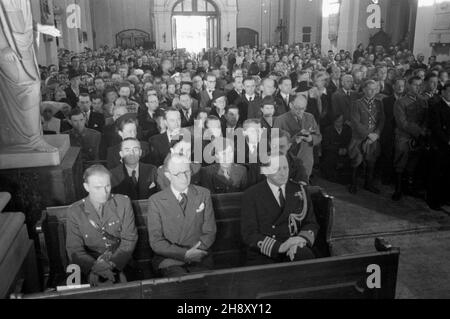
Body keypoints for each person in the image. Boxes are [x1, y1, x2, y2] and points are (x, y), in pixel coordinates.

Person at [0, 0, 61, 152]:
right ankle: (30, 140)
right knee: (28, 89)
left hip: (23, 44)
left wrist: (41, 27)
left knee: (32, 88)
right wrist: (3, 47)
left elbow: (21, 17)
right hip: (9, 47)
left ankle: (28, 137)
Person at [241, 154, 319, 266]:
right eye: (277, 169)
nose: (283, 173)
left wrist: (299, 241)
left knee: (306, 260)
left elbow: (311, 223)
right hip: (265, 252)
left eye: (285, 168)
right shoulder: (251, 195)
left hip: (295, 247)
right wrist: (281, 247)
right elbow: (249, 234)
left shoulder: (300, 190)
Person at [66, 165, 138, 286]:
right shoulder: (75, 211)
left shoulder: (123, 203)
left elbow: (129, 240)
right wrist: (95, 267)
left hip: (120, 261)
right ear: (86, 187)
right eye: (97, 188)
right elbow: (74, 249)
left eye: (107, 186)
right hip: (89, 264)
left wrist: (111, 264)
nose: (104, 192)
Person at [147, 153, 217, 277]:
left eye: (187, 172)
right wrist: (184, 254)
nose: (184, 177)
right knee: (180, 283)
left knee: (202, 285)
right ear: (168, 175)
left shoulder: (203, 194)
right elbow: (156, 241)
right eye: (178, 174)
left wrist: (196, 252)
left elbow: (210, 231)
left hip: (199, 255)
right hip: (169, 258)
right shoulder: (156, 201)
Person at [392, 76, 428, 201]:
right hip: (404, 135)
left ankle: (409, 188)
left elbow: (425, 120)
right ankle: (398, 189)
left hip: (419, 137)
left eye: (420, 85)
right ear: (408, 85)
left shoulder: (423, 101)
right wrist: (418, 132)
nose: (417, 87)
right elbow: (402, 123)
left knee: (413, 163)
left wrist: (421, 132)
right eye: (415, 85)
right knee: (401, 162)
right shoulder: (400, 102)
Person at [348, 80, 385, 194]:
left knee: (371, 161)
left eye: (374, 89)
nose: (372, 91)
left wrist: (376, 134)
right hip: (359, 137)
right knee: (356, 160)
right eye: (369, 89)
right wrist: (368, 134)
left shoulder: (379, 103)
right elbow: (355, 122)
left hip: (373, 138)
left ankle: (368, 184)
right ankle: (353, 184)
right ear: (363, 90)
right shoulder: (357, 103)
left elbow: (381, 120)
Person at [274, 94, 322, 180]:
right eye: (297, 108)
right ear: (291, 105)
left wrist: (311, 139)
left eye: (303, 108)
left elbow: (318, 137)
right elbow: (275, 144)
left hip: (306, 161)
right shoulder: (280, 120)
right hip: (288, 162)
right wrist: (295, 139)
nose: (300, 111)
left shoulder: (310, 117)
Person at [427, 82, 450, 213]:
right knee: (437, 174)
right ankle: (433, 200)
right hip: (440, 145)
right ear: (443, 92)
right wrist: (448, 140)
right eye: (449, 91)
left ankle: (446, 197)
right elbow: (436, 128)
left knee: (448, 173)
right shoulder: (436, 107)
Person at [321, 114, 352, 184]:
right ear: (334, 121)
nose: (340, 123)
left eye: (341, 121)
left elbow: (350, 142)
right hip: (332, 153)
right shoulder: (328, 130)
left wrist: (346, 149)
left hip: (345, 152)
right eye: (338, 121)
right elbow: (325, 145)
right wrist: (337, 150)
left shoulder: (347, 129)